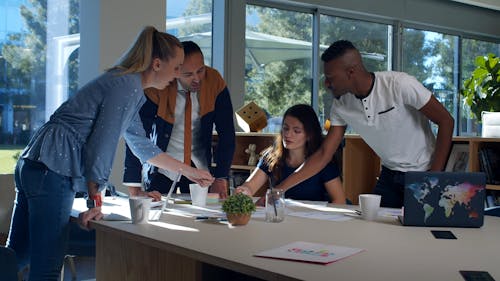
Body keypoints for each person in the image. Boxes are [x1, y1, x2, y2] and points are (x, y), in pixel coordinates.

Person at [6, 26, 214, 281]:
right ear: (157, 64)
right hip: (53, 166)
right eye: (177, 67)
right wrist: (96, 200)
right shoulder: (127, 86)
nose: (178, 74)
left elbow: (141, 145)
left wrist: (190, 172)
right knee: (47, 267)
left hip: (34, 162)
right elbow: (101, 143)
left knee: (16, 257)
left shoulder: (127, 85)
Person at [275, 40, 454, 208]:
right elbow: (323, 154)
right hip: (389, 175)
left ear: (351, 72)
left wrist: (434, 177)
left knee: (421, 236)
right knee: (375, 233)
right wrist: (278, 190)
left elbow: (446, 121)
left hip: (424, 173)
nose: (326, 83)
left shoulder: (399, 85)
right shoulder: (341, 105)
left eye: (330, 77)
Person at [123, 41, 235, 199]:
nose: (197, 78)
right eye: (188, 74)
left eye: (200, 70)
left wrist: (222, 176)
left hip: (200, 170)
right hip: (162, 169)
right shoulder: (158, 86)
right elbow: (136, 137)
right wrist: (134, 185)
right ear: (175, 71)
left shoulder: (214, 81)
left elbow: (227, 133)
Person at [236, 104, 346, 204]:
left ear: (309, 135)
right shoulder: (271, 157)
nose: (288, 134)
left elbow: (339, 200)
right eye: (285, 128)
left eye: (296, 131)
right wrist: (244, 190)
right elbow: (250, 185)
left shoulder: (322, 162)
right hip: (282, 218)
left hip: (313, 220)